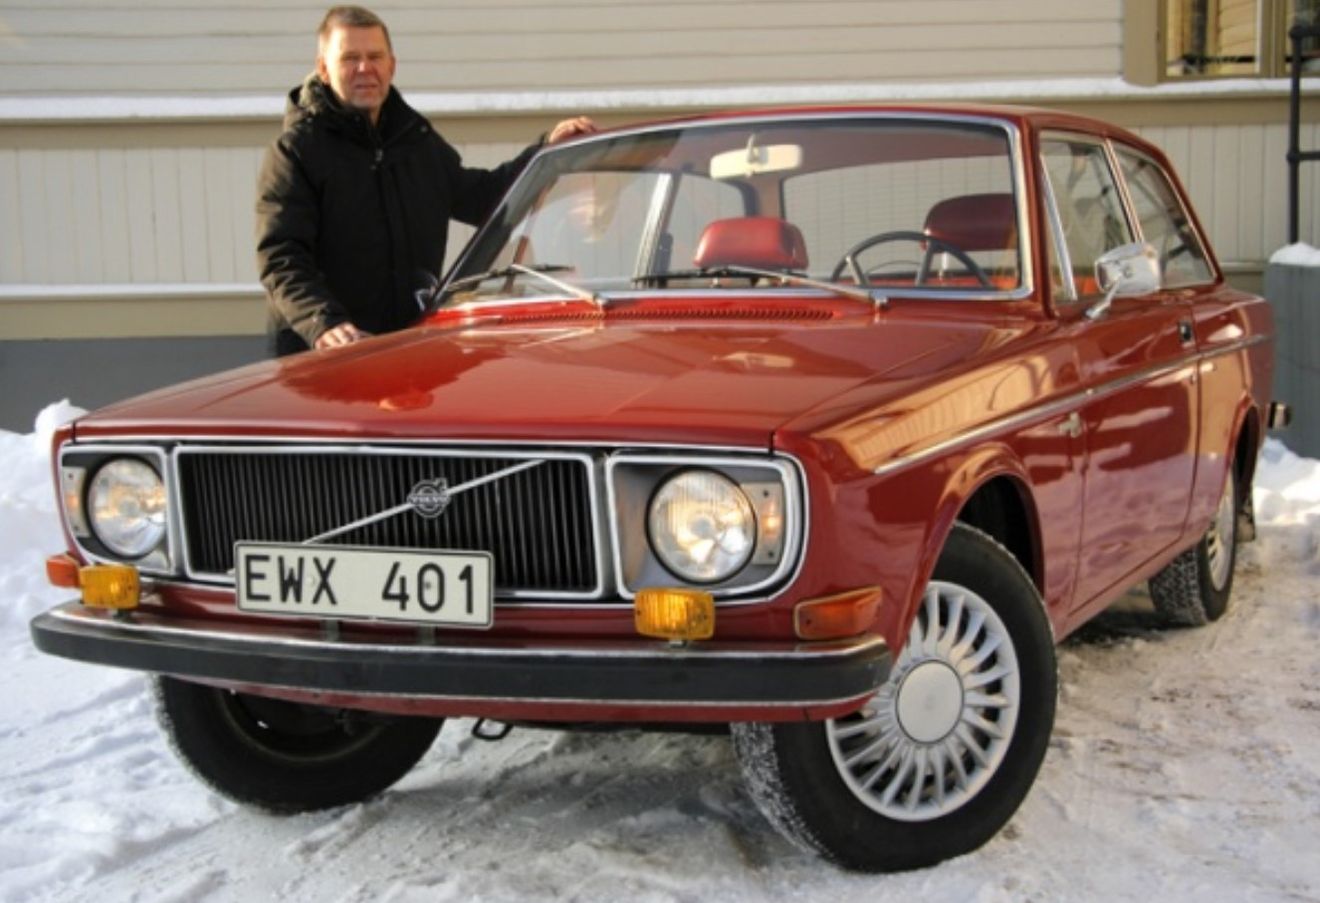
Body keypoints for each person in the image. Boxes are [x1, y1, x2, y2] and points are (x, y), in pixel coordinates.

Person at [257, 5, 596, 356]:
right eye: (349, 58)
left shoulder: (415, 143)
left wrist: (544, 153)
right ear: (324, 70)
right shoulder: (296, 152)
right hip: (322, 359)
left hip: (406, 352)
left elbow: (486, 200)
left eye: (375, 56)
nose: (365, 68)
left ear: (392, 66)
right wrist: (323, 323)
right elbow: (281, 257)